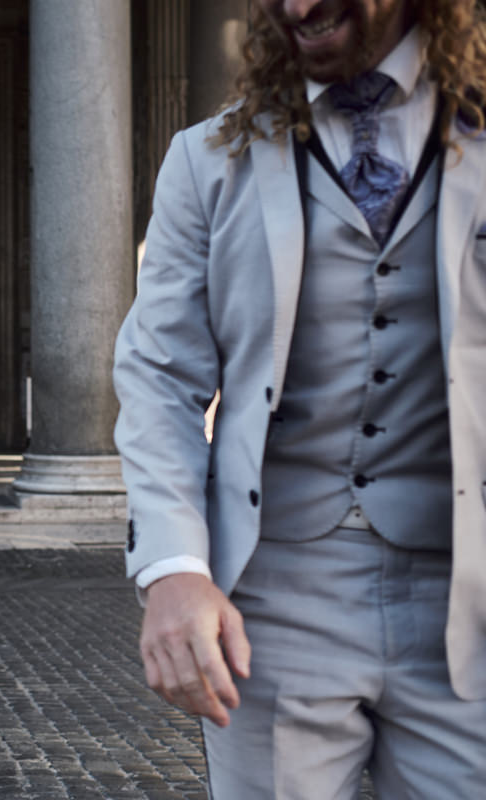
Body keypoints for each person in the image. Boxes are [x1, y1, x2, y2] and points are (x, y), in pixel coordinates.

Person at [113, 1, 486, 796]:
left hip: (471, 596)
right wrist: (175, 569)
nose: (296, 5)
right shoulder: (206, 160)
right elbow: (160, 374)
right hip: (275, 600)